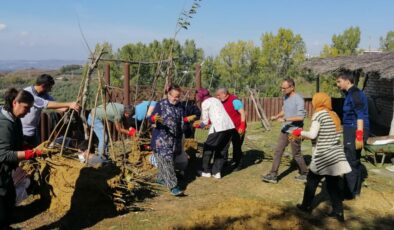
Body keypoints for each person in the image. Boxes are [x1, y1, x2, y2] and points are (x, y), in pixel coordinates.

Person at [292, 92, 351, 222]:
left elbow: (313, 134)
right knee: (332, 185)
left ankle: (306, 206)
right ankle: (338, 212)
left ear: (318, 102)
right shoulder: (333, 114)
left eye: (314, 100)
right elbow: (328, 133)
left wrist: (299, 132)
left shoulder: (319, 115)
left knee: (311, 181)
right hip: (335, 154)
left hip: (323, 156)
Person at [0, 88, 46, 229]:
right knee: (2, 203)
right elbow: (3, 154)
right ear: (15, 102)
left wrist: (27, 147)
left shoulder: (15, 119)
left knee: (9, 198)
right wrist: (30, 154)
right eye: (26, 107)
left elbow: (18, 142)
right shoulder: (4, 125)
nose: (28, 112)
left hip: (6, 172)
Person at [262, 78, 308, 184]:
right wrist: (277, 116)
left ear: (292, 87)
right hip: (285, 129)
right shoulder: (286, 97)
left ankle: (305, 173)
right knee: (278, 151)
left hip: (295, 131)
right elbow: (284, 110)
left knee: (296, 153)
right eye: (281, 88)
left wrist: (285, 119)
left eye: (284, 88)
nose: (282, 90)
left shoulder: (298, 99)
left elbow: (300, 117)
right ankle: (273, 175)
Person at [21, 74, 80, 147]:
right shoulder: (28, 93)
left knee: (35, 151)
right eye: (50, 87)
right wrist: (69, 104)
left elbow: (55, 104)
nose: (50, 90)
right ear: (43, 86)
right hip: (22, 131)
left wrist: (69, 107)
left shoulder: (43, 93)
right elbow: (47, 104)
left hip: (33, 130)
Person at [336, 70, 369, 199]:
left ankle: (350, 192)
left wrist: (359, 135)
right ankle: (355, 190)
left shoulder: (355, 94)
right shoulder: (350, 93)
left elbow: (360, 115)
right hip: (351, 129)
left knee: (350, 160)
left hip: (356, 129)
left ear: (347, 81)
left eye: (339, 81)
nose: (338, 84)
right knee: (354, 159)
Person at [150, 85, 188, 196]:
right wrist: (154, 119)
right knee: (167, 162)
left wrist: (186, 122)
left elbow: (181, 120)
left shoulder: (180, 106)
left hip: (175, 140)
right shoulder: (160, 105)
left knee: (166, 162)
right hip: (161, 140)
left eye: (178, 97)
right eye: (174, 96)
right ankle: (173, 186)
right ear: (168, 94)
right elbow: (150, 118)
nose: (176, 99)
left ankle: (162, 178)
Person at [194, 88, 234, 179]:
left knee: (208, 148)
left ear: (200, 96)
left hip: (218, 127)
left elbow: (205, 121)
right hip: (229, 126)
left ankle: (206, 171)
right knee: (222, 150)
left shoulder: (205, 103)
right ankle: (217, 172)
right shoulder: (216, 100)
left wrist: (197, 125)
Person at [216, 87, 247, 171]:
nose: (217, 97)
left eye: (218, 95)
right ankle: (224, 162)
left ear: (224, 94)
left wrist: (242, 125)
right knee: (224, 145)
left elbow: (242, 112)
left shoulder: (235, 100)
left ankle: (238, 164)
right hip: (226, 128)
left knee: (236, 146)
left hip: (237, 128)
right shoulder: (220, 102)